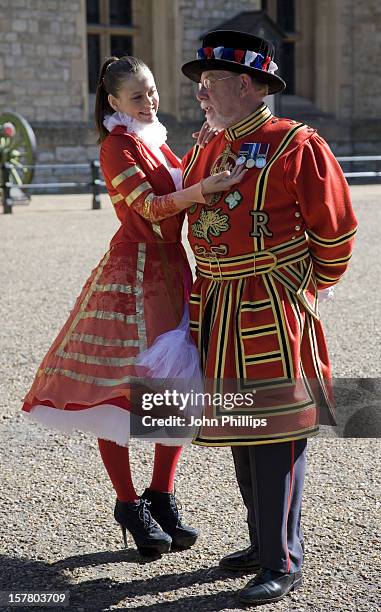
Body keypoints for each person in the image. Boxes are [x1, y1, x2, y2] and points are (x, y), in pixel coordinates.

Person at [21, 55, 245, 558]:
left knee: (176, 383)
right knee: (120, 390)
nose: (150, 100)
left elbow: (186, 193)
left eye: (152, 90)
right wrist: (201, 188)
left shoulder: (157, 139)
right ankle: (128, 503)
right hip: (132, 273)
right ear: (114, 102)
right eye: (138, 95)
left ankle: (161, 495)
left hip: (173, 270)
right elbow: (149, 207)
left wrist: (211, 165)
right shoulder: (116, 146)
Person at [181, 31, 357, 604]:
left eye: (210, 84)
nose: (201, 94)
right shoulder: (210, 143)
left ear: (246, 85)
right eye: (201, 85)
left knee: (277, 431)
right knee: (240, 426)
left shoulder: (296, 143)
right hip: (218, 302)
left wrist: (309, 288)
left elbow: (336, 228)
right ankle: (263, 543)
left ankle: (283, 557)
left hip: (269, 304)